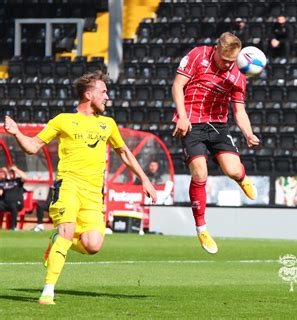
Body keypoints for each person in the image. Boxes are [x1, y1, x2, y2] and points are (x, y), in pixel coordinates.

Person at [3, 70, 157, 305]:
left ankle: (56, 240)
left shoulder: (108, 124)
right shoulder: (63, 120)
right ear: (88, 93)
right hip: (68, 186)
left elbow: (125, 153)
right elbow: (33, 147)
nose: (107, 97)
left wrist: (145, 179)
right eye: (103, 91)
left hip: (94, 194)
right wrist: (17, 133)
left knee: (93, 245)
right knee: (67, 230)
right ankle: (48, 290)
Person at [172, 32, 260, 254]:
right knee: (200, 173)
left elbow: (239, 111)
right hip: (191, 123)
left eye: (233, 61)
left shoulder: (239, 73)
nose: (228, 64)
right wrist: (182, 116)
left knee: (232, 170)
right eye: (226, 60)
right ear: (216, 49)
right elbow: (177, 86)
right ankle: (202, 228)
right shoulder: (197, 55)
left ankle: (241, 177)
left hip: (218, 125)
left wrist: (248, 133)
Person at [0, 165, 27, 230]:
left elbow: (25, 177)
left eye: (12, 172)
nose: (11, 174)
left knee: (13, 205)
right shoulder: (3, 182)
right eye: (9, 172)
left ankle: (13, 227)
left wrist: (16, 169)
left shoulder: (18, 181)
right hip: (5, 204)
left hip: (17, 204)